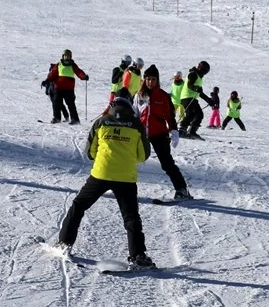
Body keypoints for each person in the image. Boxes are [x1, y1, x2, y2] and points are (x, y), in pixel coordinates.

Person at [57, 96, 156, 269]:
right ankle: (138, 255)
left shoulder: (101, 122)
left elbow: (89, 152)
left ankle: (64, 242)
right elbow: (143, 156)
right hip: (125, 177)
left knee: (79, 205)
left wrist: (105, 157)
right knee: (131, 217)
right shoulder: (136, 125)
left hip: (101, 174)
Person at [138, 64, 192, 200]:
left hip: (159, 134)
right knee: (128, 159)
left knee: (167, 163)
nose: (150, 82)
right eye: (148, 79)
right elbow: (134, 114)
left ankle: (182, 189)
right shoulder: (139, 96)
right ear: (144, 80)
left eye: (153, 79)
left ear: (157, 81)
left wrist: (173, 131)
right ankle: (118, 185)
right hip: (141, 134)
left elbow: (169, 116)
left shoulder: (163, 96)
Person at [44, 49, 88, 124]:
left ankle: (75, 119)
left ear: (70, 57)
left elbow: (79, 72)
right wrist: (47, 80)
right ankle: (56, 118)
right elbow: (53, 74)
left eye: (68, 56)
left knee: (71, 104)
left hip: (69, 88)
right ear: (63, 56)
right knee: (56, 103)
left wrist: (83, 76)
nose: (66, 57)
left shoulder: (73, 65)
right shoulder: (59, 64)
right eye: (65, 56)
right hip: (58, 88)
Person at [179, 60, 211, 139]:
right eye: (204, 71)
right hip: (187, 97)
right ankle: (182, 131)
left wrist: (208, 100)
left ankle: (191, 132)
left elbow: (200, 92)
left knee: (198, 114)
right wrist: (196, 88)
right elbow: (190, 85)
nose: (204, 73)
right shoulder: (193, 74)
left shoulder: (199, 77)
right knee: (192, 114)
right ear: (200, 68)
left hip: (191, 98)